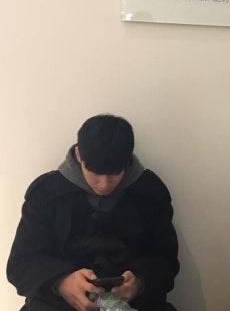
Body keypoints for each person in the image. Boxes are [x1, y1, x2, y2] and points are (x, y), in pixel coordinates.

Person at [7, 114, 179, 311]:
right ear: (79, 154)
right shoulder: (46, 193)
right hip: (56, 302)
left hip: (135, 303)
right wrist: (62, 282)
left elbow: (166, 260)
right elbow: (21, 263)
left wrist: (140, 282)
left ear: (127, 161)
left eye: (114, 174)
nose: (104, 185)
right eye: (95, 173)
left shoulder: (150, 192)